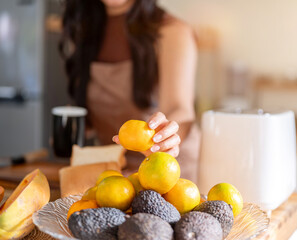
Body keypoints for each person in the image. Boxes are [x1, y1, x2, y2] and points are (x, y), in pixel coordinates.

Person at [59, 0, 200, 182]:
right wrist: (71, 129)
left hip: (167, 172)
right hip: (116, 172)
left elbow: (179, 108)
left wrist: (166, 138)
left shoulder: (174, 31)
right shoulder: (85, 28)